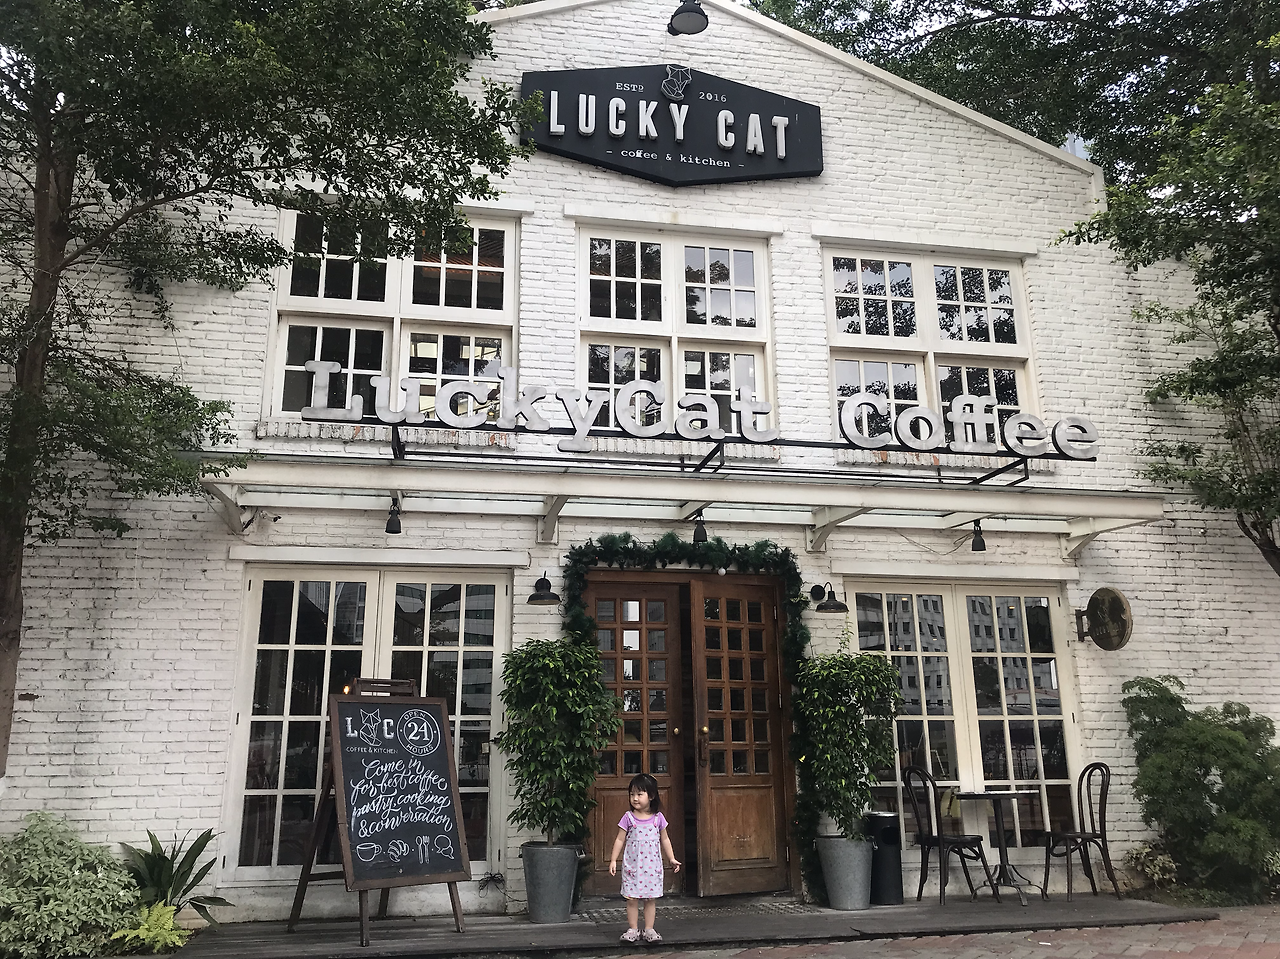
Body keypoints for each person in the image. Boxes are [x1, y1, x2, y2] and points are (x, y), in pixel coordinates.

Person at [609, 772, 681, 943]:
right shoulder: (628, 818)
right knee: (631, 899)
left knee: (650, 899)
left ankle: (649, 929)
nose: (635, 798)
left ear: (651, 796)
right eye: (632, 794)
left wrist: (671, 858)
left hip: (651, 868)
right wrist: (613, 860)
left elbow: (665, 839)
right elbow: (620, 839)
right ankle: (633, 929)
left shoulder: (658, 818)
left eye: (639, 794)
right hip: (632, 867)